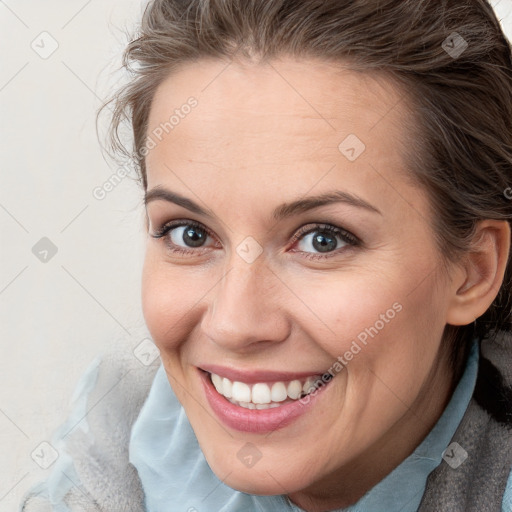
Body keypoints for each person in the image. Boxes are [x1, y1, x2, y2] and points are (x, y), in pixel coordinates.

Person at [20, 0, 512, 510]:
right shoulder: (119, 426)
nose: (234, 325)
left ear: (473, 272)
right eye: (189, 233)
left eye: (323, 239)